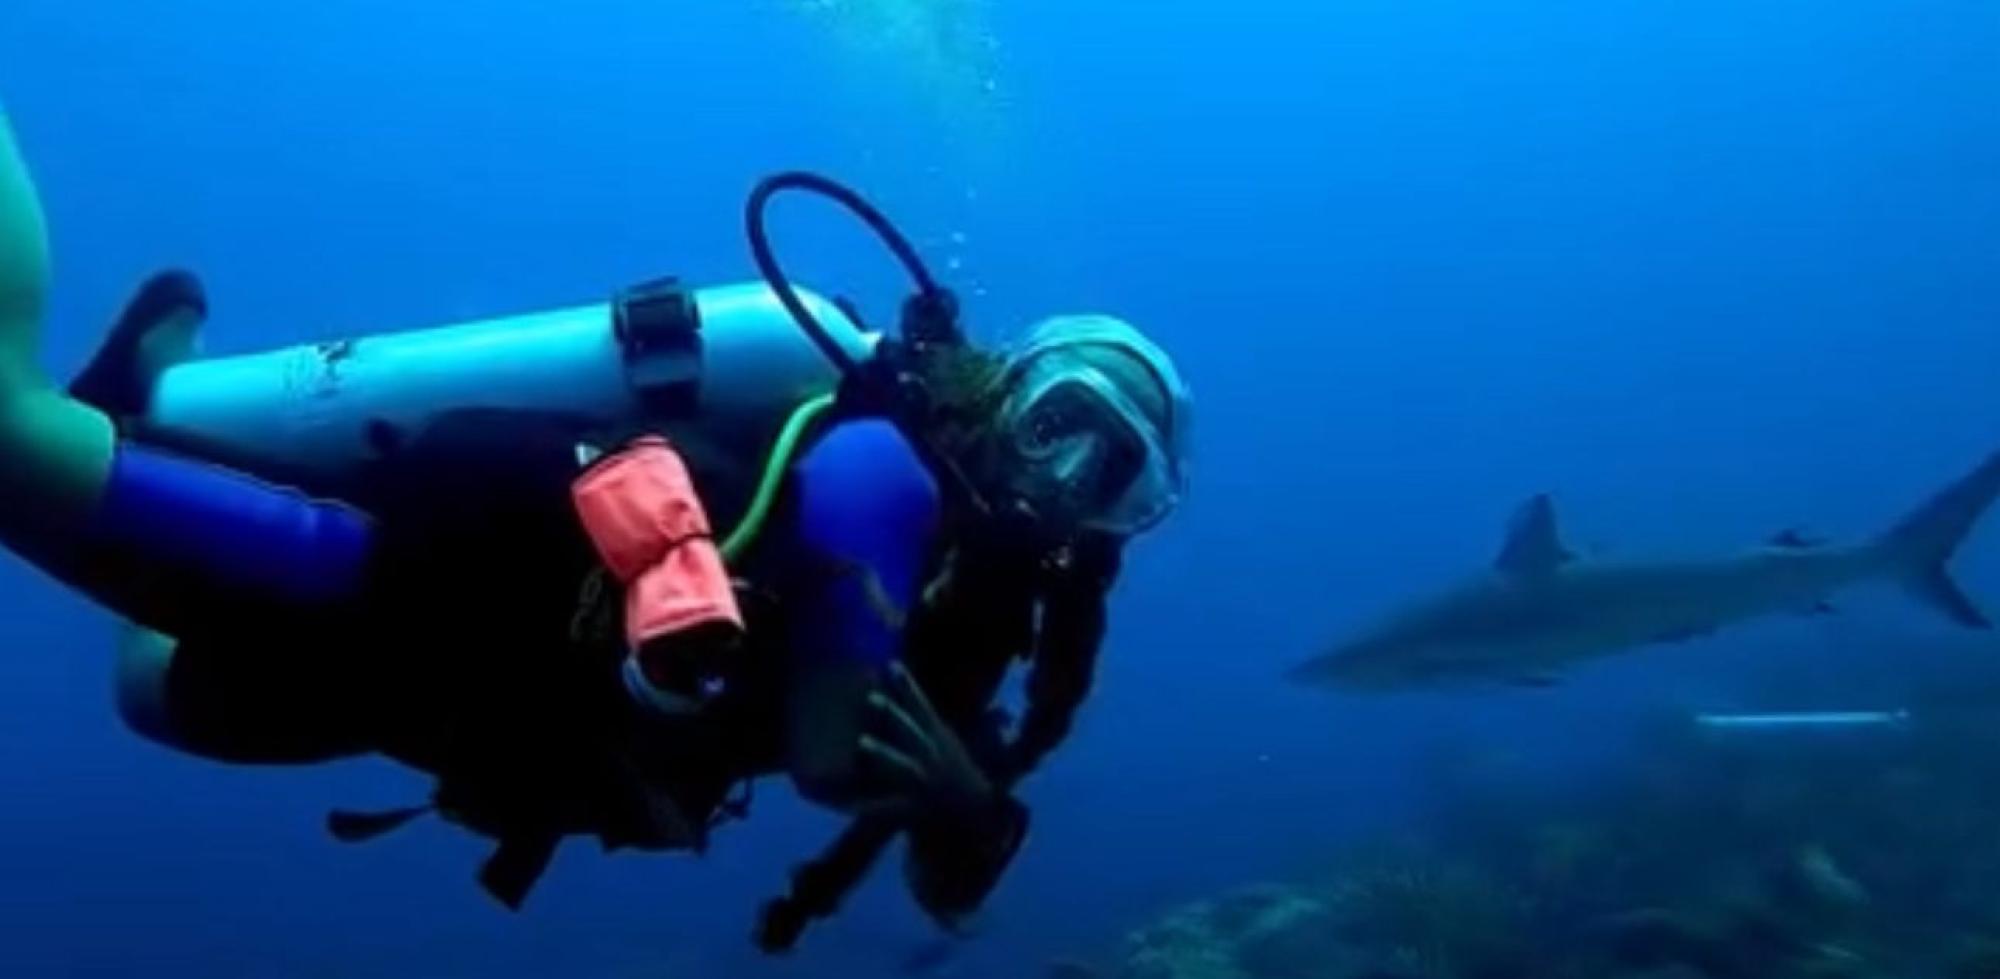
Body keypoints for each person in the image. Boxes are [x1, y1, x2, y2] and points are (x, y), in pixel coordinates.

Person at [0, 109, 1192, 947]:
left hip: (459, 717)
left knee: (148, 690)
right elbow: (834, 748)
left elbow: (947, 878)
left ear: (1121, 523)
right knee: (9, 436)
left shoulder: (984, 620)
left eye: (1111, 473)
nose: (1063, 474)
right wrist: (929, 786)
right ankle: (120, 413)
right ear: (1005, 386)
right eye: (1062, 423)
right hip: (392, 583)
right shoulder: (881, 463)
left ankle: (147, 396)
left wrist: (970, 806)